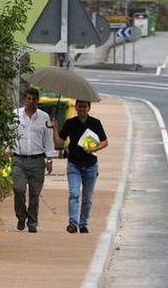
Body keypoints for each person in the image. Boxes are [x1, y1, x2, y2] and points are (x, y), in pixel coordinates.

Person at [53, 99, 108, 234]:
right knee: (74, 194)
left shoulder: (95, 123)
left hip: (90, 165)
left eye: (85, 106)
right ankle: (73, 223)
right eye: (80, 106)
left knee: (87, 197)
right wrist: (54, 128)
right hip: (74, 164)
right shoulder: (70, 123)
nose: (82, 109)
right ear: (76, 107)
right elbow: (59, 143)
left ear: (89, 108)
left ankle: (83, 224)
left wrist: (93, 149)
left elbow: (105, 142)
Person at [10, 87, 54, 233]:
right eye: (29, 99)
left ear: (38, 100)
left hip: (37, 160)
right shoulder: (15, 115)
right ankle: (21, 216)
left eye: (34, 99)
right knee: (19, 189)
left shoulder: (44, 117)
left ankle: (32, 222)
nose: (31, 102)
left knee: (35, 193)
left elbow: (48, 140)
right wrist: (6, 148)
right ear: (25, 99)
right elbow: (7, 133)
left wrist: (49, 159)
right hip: (18, 159)